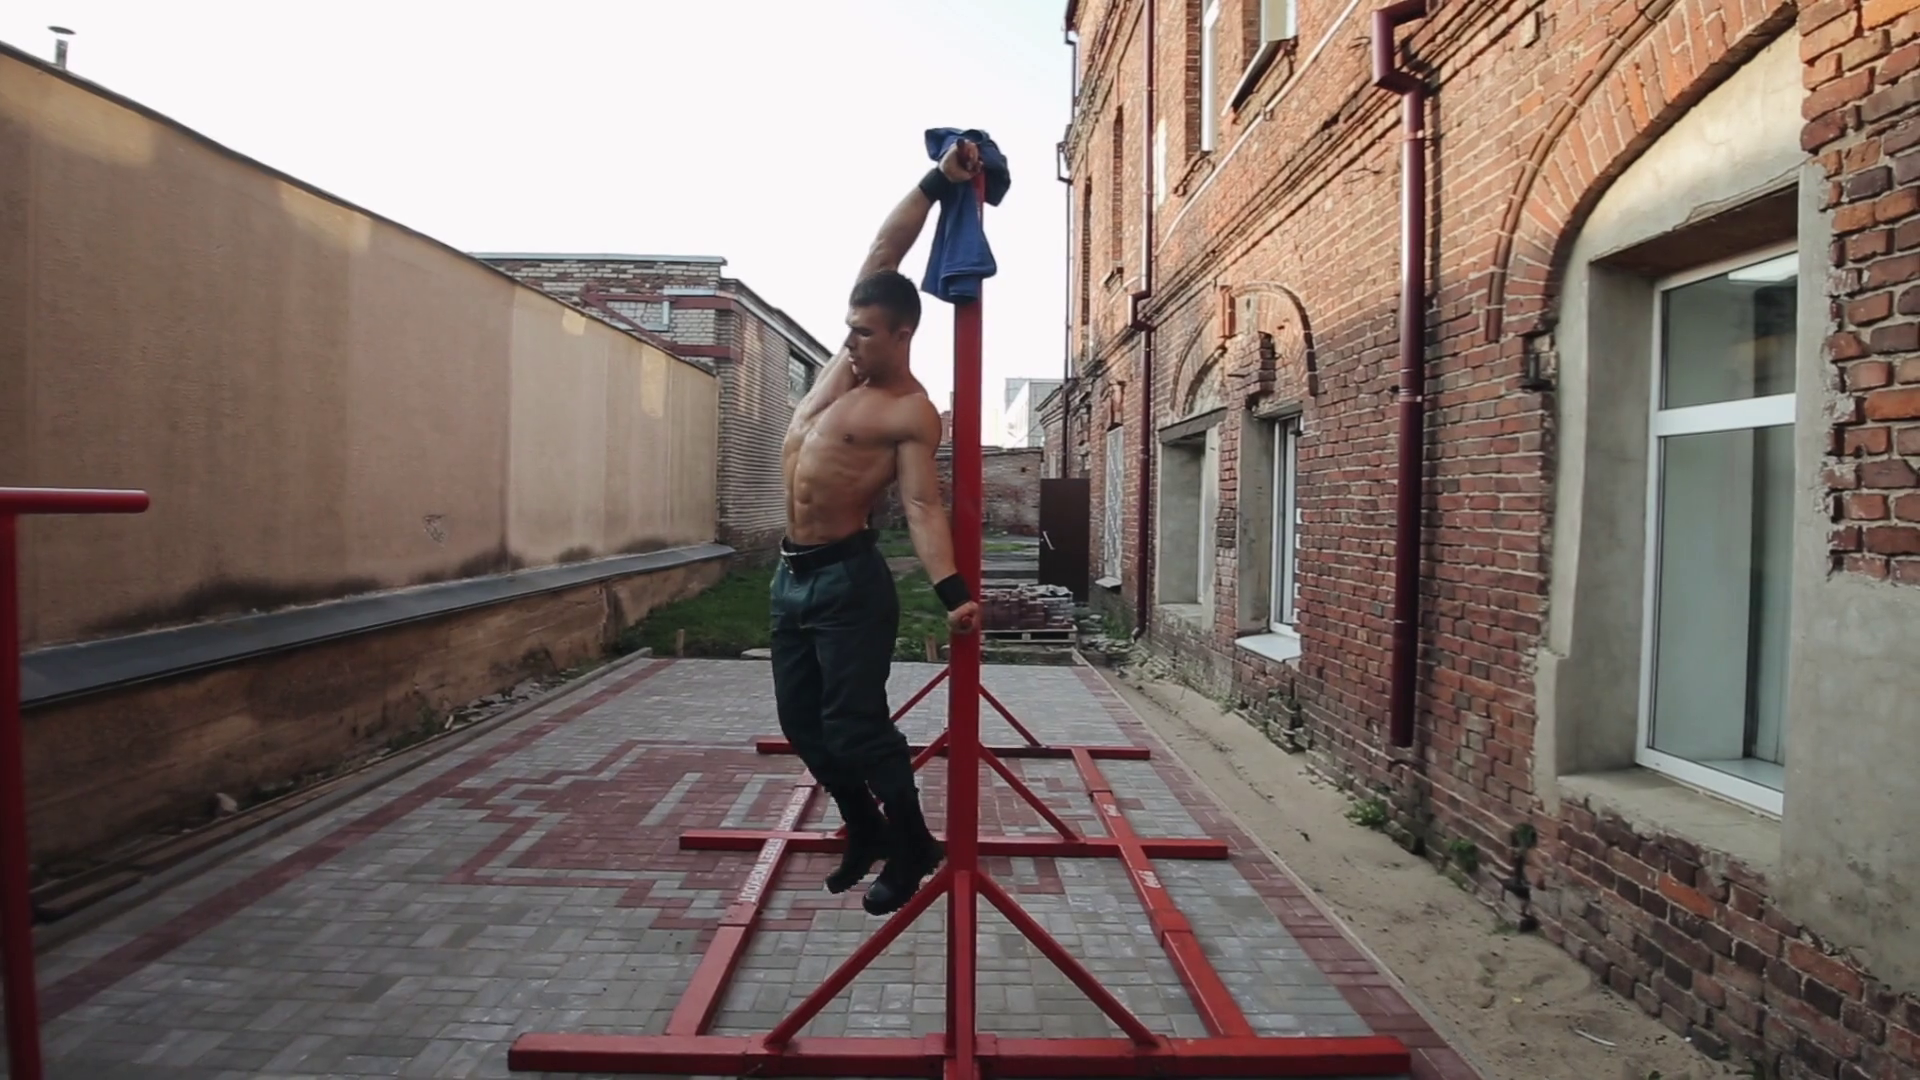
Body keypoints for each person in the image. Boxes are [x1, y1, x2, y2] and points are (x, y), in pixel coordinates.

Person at [772, 137, 986, 917]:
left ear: (901, 334)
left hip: (847, 582)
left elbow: (923, 507)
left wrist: (952, 592)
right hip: (790, 578)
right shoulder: (846, 368)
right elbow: (883, 250)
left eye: (864, 331)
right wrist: (936, 182)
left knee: (857, 727)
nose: (851, 341)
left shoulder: (908, 411)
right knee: (803, 724)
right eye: (850, 329)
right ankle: (865, 828)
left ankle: (913, 843)